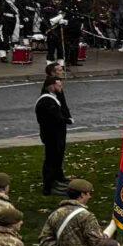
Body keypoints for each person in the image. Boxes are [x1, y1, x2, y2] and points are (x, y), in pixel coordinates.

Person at [36, 66, 73, 194]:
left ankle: (56, 179)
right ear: (51, 86)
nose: (60, 88)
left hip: (56, 134)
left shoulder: (52, 96)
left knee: (57, 157)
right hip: (51, 135)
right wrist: (67, 120)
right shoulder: (47, 100)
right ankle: (49, 186)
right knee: (51, 159)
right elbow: (55, 117)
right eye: (58, 86)